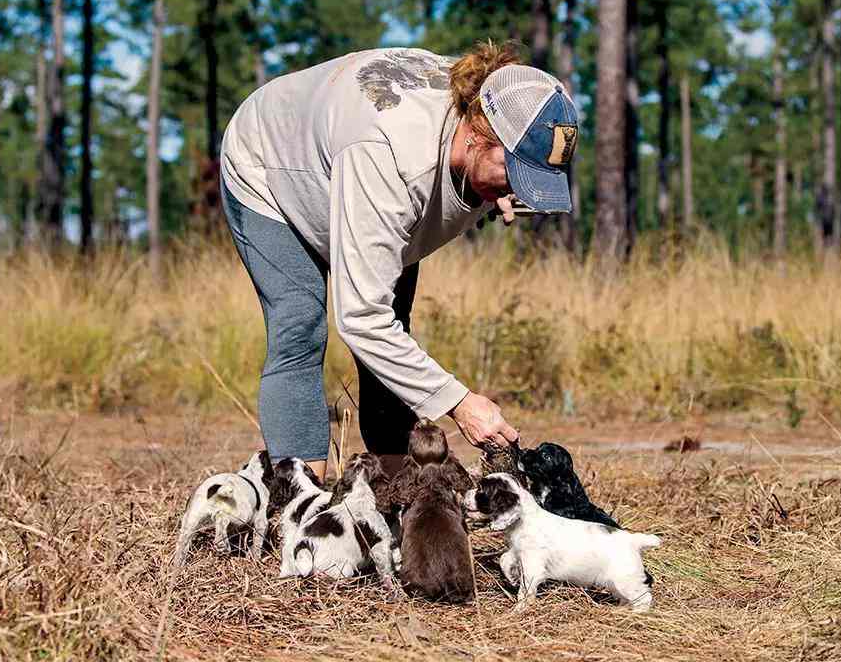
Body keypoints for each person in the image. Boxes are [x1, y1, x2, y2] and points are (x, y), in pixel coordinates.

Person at [219, 41, 579, 478]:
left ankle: (398, 487)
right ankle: (300, 501)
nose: (519, 190)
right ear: (478, 133)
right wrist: (460, 404)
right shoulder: (392, 156)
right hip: (272, 167)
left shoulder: (493, 106)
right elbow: (361, 319)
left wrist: (502, 191)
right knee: (301, 325)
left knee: (394, 329)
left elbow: (485, 173)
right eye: (517, 173)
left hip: (361, 169)